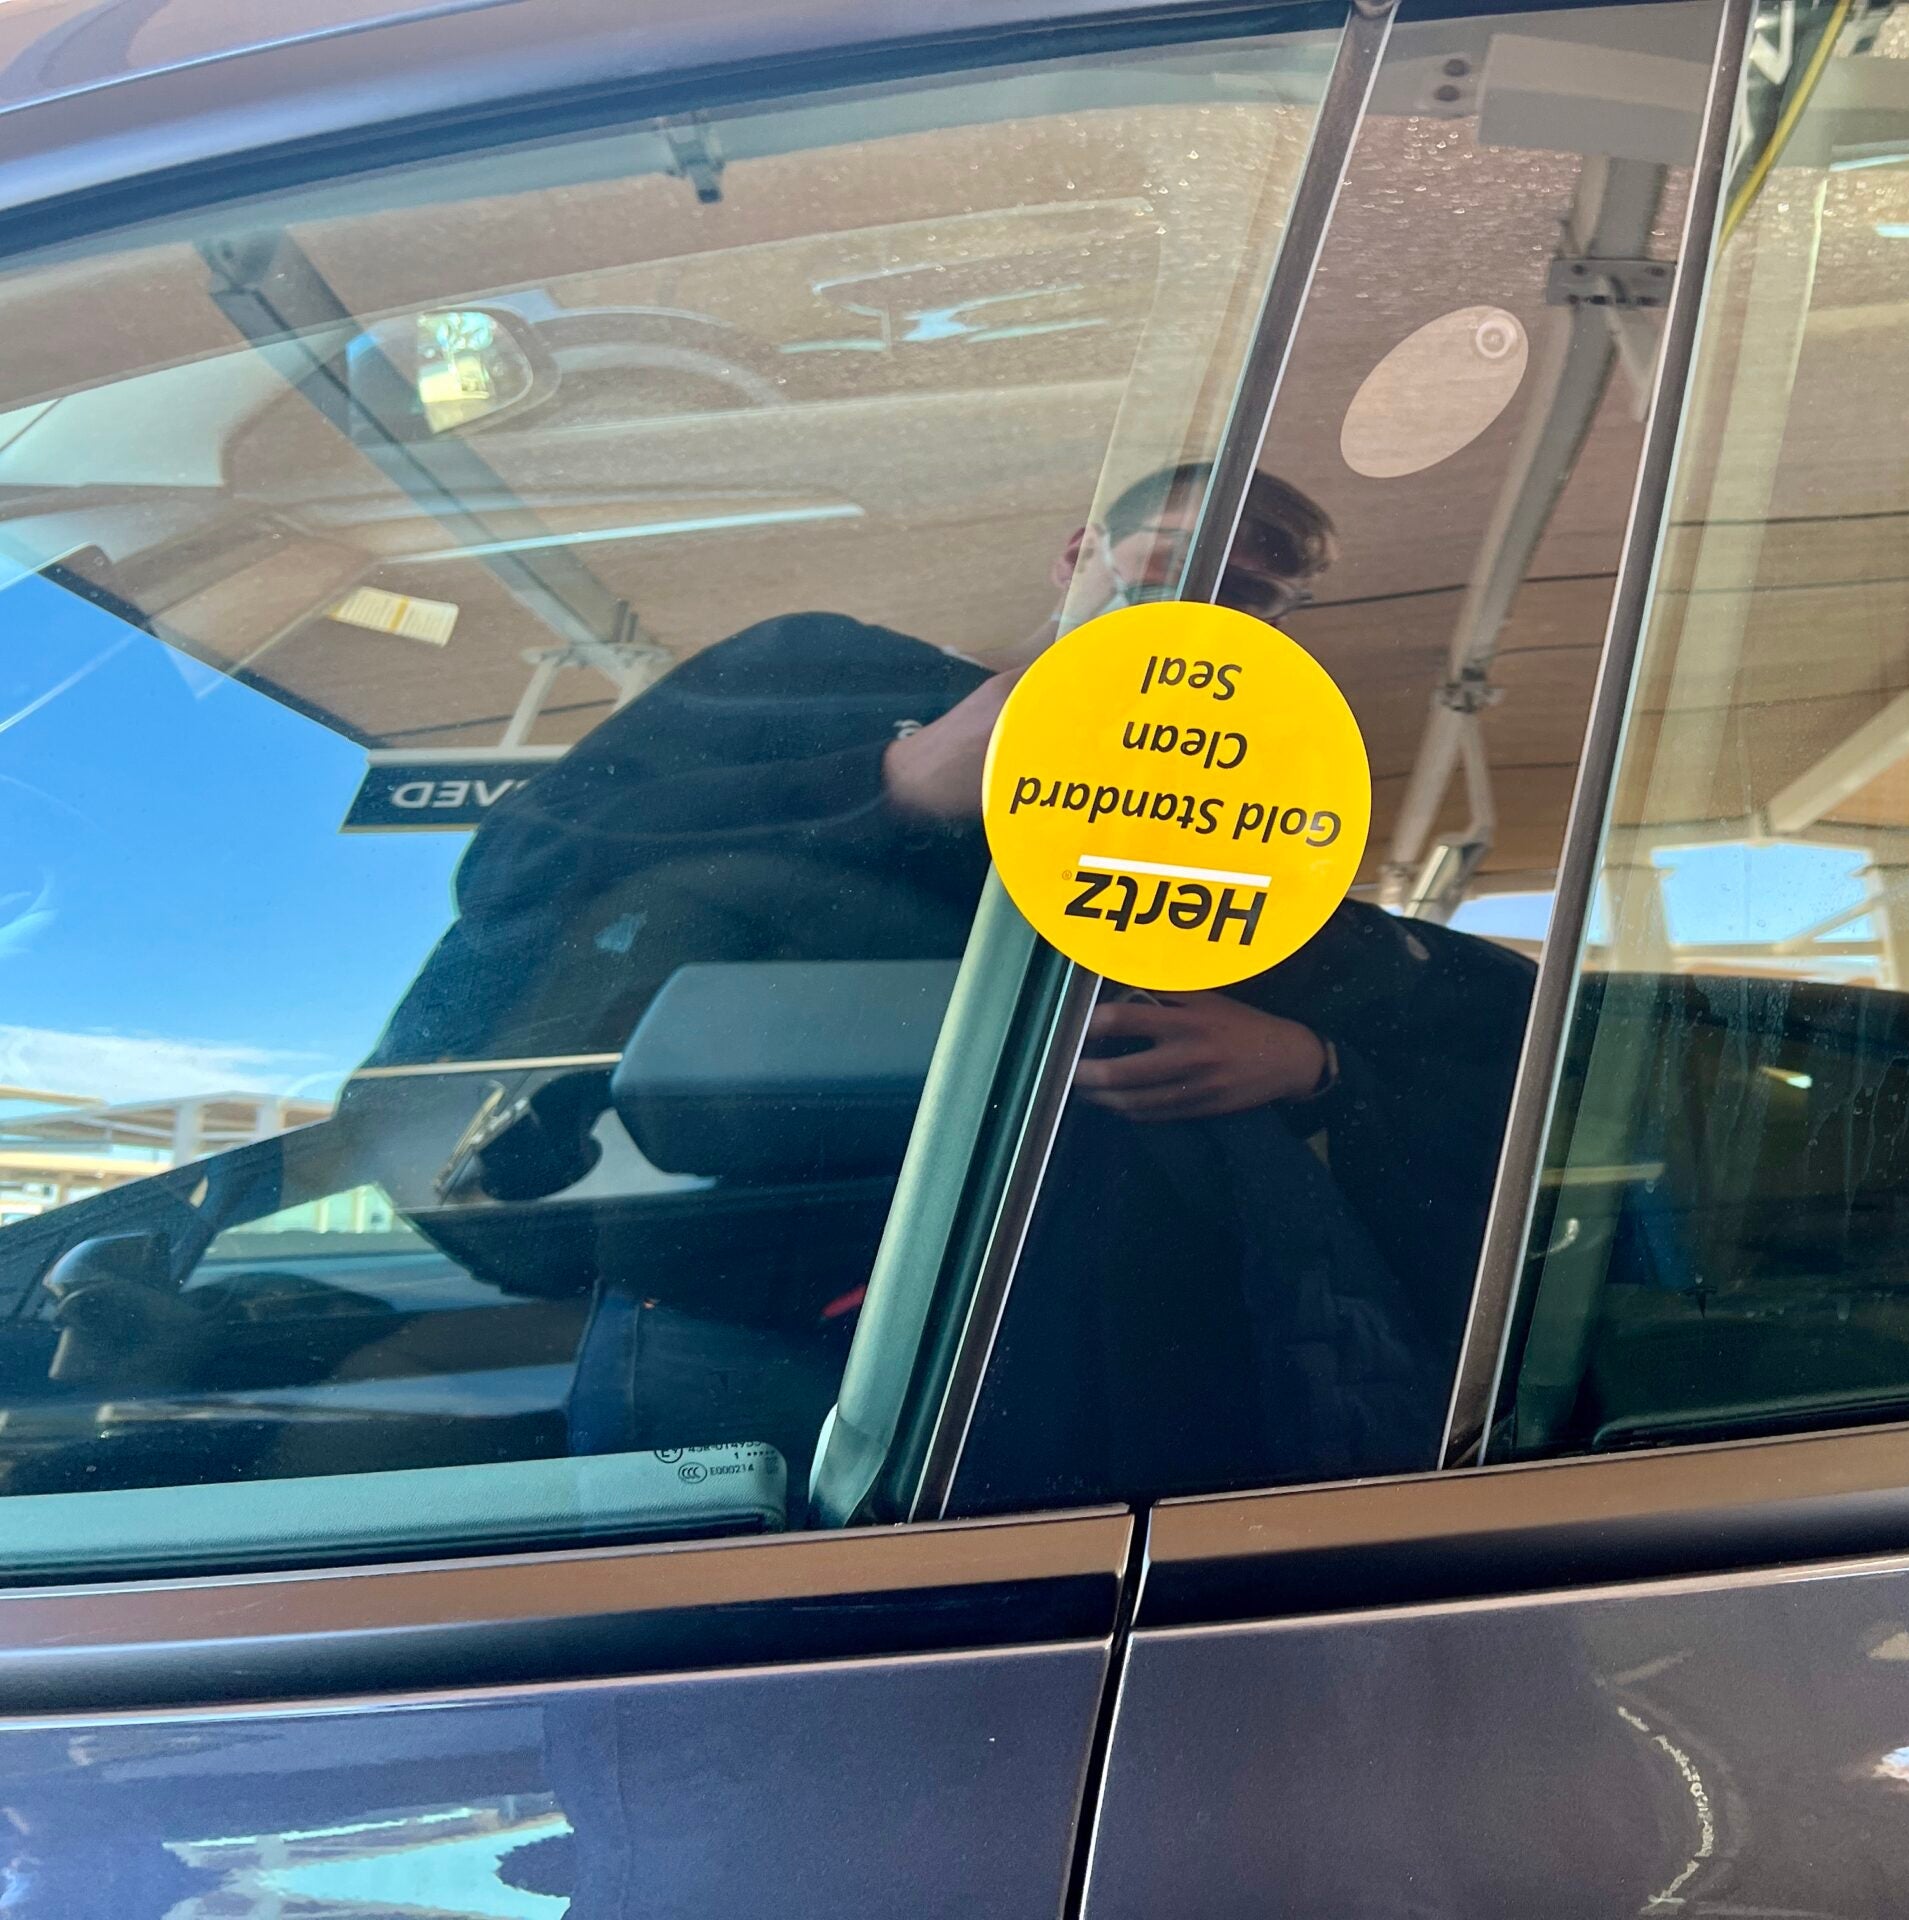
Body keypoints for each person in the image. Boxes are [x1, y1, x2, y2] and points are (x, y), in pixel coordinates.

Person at [360, 462, 1531, 1505]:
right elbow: (519, 867)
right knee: (709, 1696)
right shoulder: (814, 666)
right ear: (1081, 557)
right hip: (732, 1297)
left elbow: (1474, 1012)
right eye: (1181, 562)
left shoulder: (1221, 822)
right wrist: (894, 778)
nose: (1215, 601)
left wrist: (1307, 1064)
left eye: (1258, 594)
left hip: (1108, 1329)